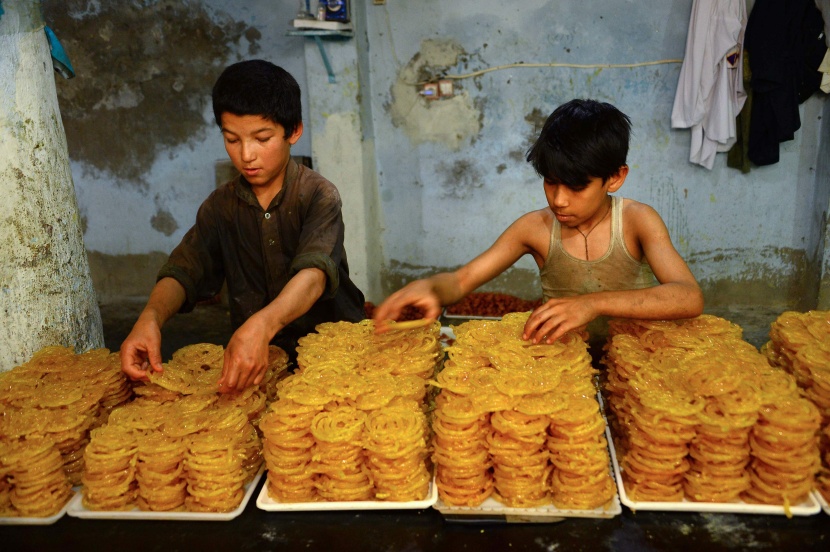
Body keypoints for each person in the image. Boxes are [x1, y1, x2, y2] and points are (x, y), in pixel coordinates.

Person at [373, 99, 704, 346]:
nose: (559, 199)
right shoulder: (534, 229)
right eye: (550, 182)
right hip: (563, 365)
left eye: (576, 187)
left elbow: (688, 296)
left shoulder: (637, 221)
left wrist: (593, 304)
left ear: (615, 178)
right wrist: (432, 287)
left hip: (635, 361)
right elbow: (461, 281)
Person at [120, 59, 365, 392]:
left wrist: (263, 324)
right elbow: (184, 270)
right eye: (232, 139)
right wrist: (150, 317)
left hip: (336, 357)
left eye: (262, 138)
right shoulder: (220, 207)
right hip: (258, 364)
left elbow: (313, 276)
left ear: (294, 131)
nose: (246, 154)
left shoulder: (318, 195)